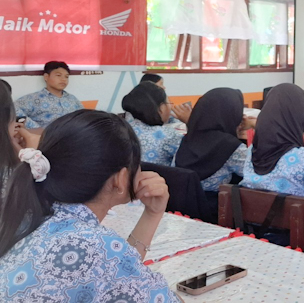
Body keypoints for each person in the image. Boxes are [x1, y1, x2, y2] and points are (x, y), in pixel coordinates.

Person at [0, 110, 179, 302]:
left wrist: (152, 213)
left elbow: (120, 274)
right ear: (120, 179)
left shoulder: (28, 213)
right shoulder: (98, 246)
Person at [174, 88, 251, 196]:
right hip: (217, 205)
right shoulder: (230, 146)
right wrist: (253, 125)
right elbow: (256, 175)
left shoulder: (185, 139)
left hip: (183, 203)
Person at [122, 82, 184, 166]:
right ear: (161, 108)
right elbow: (192, 154)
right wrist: (190, 122)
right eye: (169, 103)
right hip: (159, 174)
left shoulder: (124, 129)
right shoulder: (168, 135)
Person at [15, 61, 84, 130]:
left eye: (66, 77)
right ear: (46, 77)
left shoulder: (73, 99)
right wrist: (36, 129)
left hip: (74, 135)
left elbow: (84, 118)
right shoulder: (34, 98)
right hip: (46, 135)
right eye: (58, 75)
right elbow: (13, 110)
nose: (63, 79)